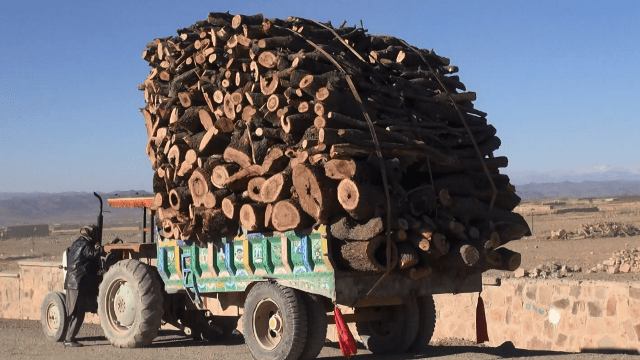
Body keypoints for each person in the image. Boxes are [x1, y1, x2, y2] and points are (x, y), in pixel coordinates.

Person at [63, 225, 102, 347]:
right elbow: (93, 254)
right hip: (78, 283)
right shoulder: (85, 244)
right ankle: (69, 340)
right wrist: (101, 248)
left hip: (71, 282)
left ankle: (67, 338)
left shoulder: (76, 242)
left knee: (73, 311)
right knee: (78, 313)